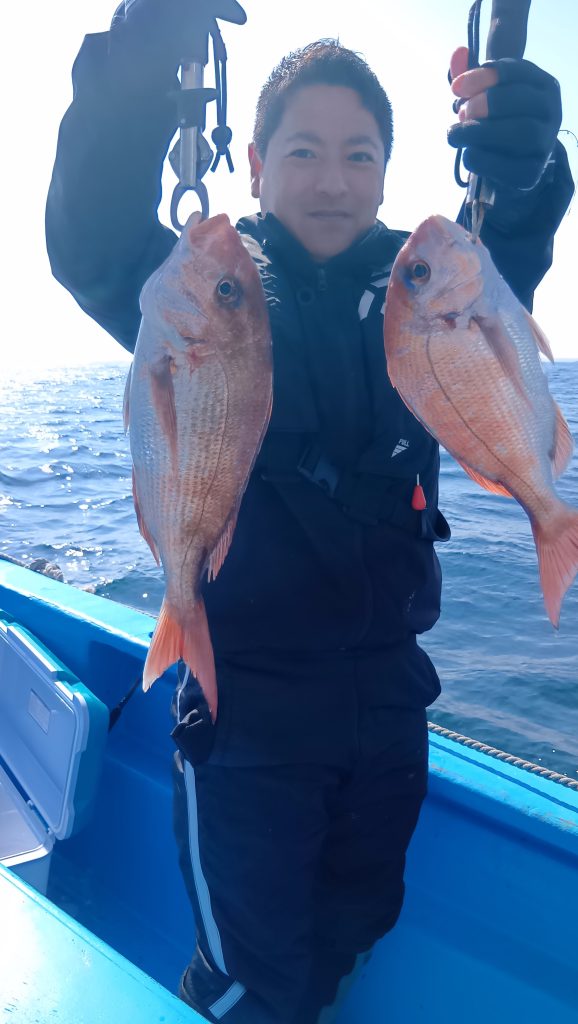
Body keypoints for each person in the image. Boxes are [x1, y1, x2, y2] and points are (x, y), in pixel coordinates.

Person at [45, 3, 573, 1021]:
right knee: (252, 978)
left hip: (390, 700)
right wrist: (138, 59)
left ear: (385, 170)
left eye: (358, 154)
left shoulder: (424, 285)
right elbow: (92, 236)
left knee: (357, 922)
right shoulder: (209, 291)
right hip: (248, 713)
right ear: (252, 163)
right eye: (302, 151)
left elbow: (506, 251)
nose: (332, 179)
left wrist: (530, 166)